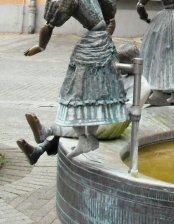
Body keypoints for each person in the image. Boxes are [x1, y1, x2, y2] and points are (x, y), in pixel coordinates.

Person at [18, 0, 127, 160]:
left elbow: (49, 25)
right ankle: (79, 138)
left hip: (93, 46)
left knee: (77, 93)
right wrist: (105, 35)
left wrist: (40, 47)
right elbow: (111, 17)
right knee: (88, 94)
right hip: (99, 43)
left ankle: (75, 138)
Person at [17, 43, 150, 164]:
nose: (118, 64)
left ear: (132, 63)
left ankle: (46, 135)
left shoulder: (143, 85)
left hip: (113, 124)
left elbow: (125, 110)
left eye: (121, 61)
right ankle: (38, 150)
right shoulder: (123, 77)